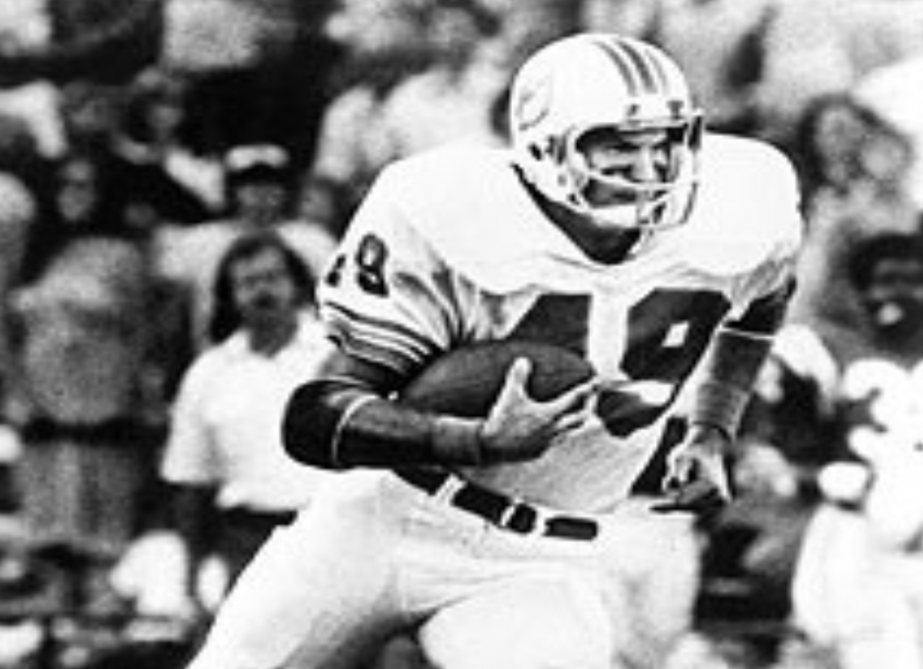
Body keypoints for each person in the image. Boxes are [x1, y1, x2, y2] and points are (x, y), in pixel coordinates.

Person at [184, 32, 804, 669]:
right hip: (388, 515)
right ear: (546, 144)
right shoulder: (444, 208)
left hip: (537, 556)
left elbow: (762, 301)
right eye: (619, 147)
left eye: (665, 143)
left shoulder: (742, 202)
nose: (650, 171)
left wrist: (712, 427)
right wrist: (472, 439)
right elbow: (313, 419)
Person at [749, 230, 923, 669]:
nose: (896, 293)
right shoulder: (824, 351)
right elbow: (785, 448)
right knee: (825, 644)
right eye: (883, 279)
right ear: (860, 287)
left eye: (913, 279)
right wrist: (820, 476)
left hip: (915, 536)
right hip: (848, 532)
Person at [159, 231, 336, 613]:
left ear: (297, 285)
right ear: (230, 296)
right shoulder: (209, 372)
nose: (262, 292)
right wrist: (191, 580)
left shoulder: (337, 358)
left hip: (333, 537)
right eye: (248, 283)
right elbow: (191, 481)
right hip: (247, 541)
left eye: (273, 278)